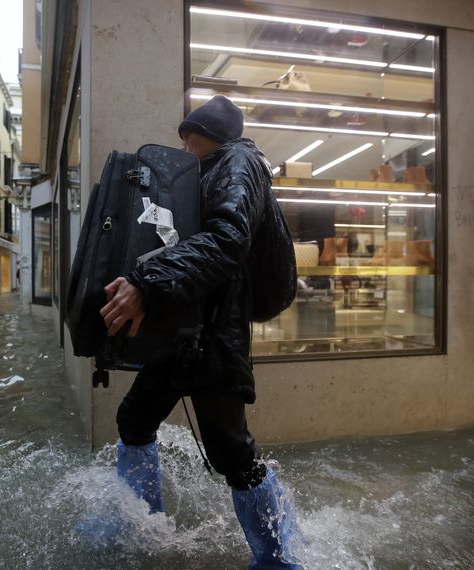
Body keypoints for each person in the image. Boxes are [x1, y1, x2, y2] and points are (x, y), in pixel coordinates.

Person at [99, 95, 305, 567]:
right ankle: (140, 526)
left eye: (187, 135)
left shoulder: (238, 162)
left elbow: (227, 240)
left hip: (216, 335)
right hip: (186, 329)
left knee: (232, 453)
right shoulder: (207, 170)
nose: (183, 144)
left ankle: (280, 556)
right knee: (134, 420)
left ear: (205, 134)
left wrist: (146, 284)